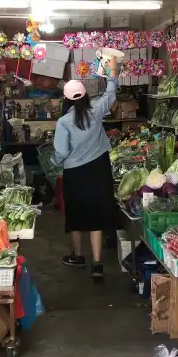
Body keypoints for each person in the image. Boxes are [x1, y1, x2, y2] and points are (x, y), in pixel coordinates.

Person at [52, 57, 119, 279]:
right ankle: (97, 263)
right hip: (99, 170)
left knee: (77, 215)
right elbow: (110, 93)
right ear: (86, 95)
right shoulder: (97, 109)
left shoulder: (63, 122)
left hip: (75, 173)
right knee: (96, 216)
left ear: (66, 99)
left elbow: (60, 152)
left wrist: (55, 162)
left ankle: (78, 256)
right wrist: (112, 70)